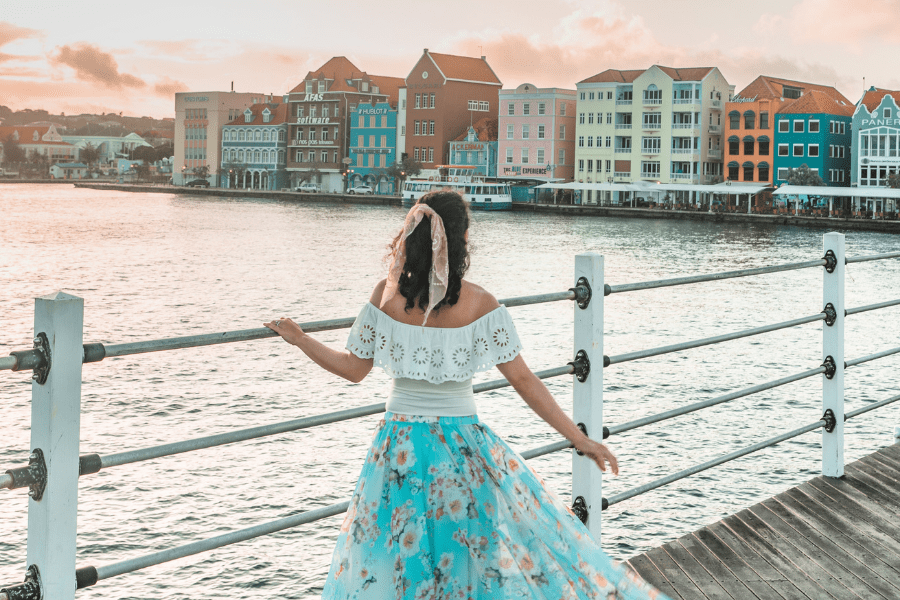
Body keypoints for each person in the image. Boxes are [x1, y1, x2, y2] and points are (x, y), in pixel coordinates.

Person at [265, 191, 667, 599]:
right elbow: (526, 382)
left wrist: (300, 339)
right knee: (469, 562)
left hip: (399, 448)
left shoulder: (385, 298)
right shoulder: (480, 303)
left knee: (399, 564)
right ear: (460, 240)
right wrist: (580, 439)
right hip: (462, 449)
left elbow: (352, 370)